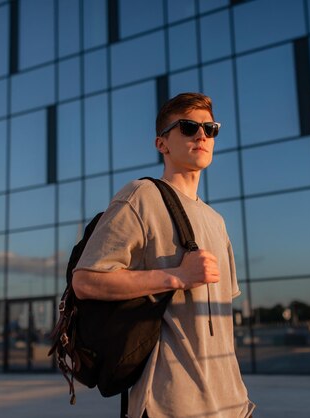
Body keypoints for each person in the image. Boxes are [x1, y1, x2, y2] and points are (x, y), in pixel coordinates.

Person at [72, 92, 255, 418]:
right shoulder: (141, 196)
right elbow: (86, 281)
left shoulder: (217, 221)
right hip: (170, 404)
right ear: (162, 144)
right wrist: (176, 276)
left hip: (233, 403)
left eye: (210, 129)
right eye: (188, 127)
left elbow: (221, 325)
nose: (202, 135)